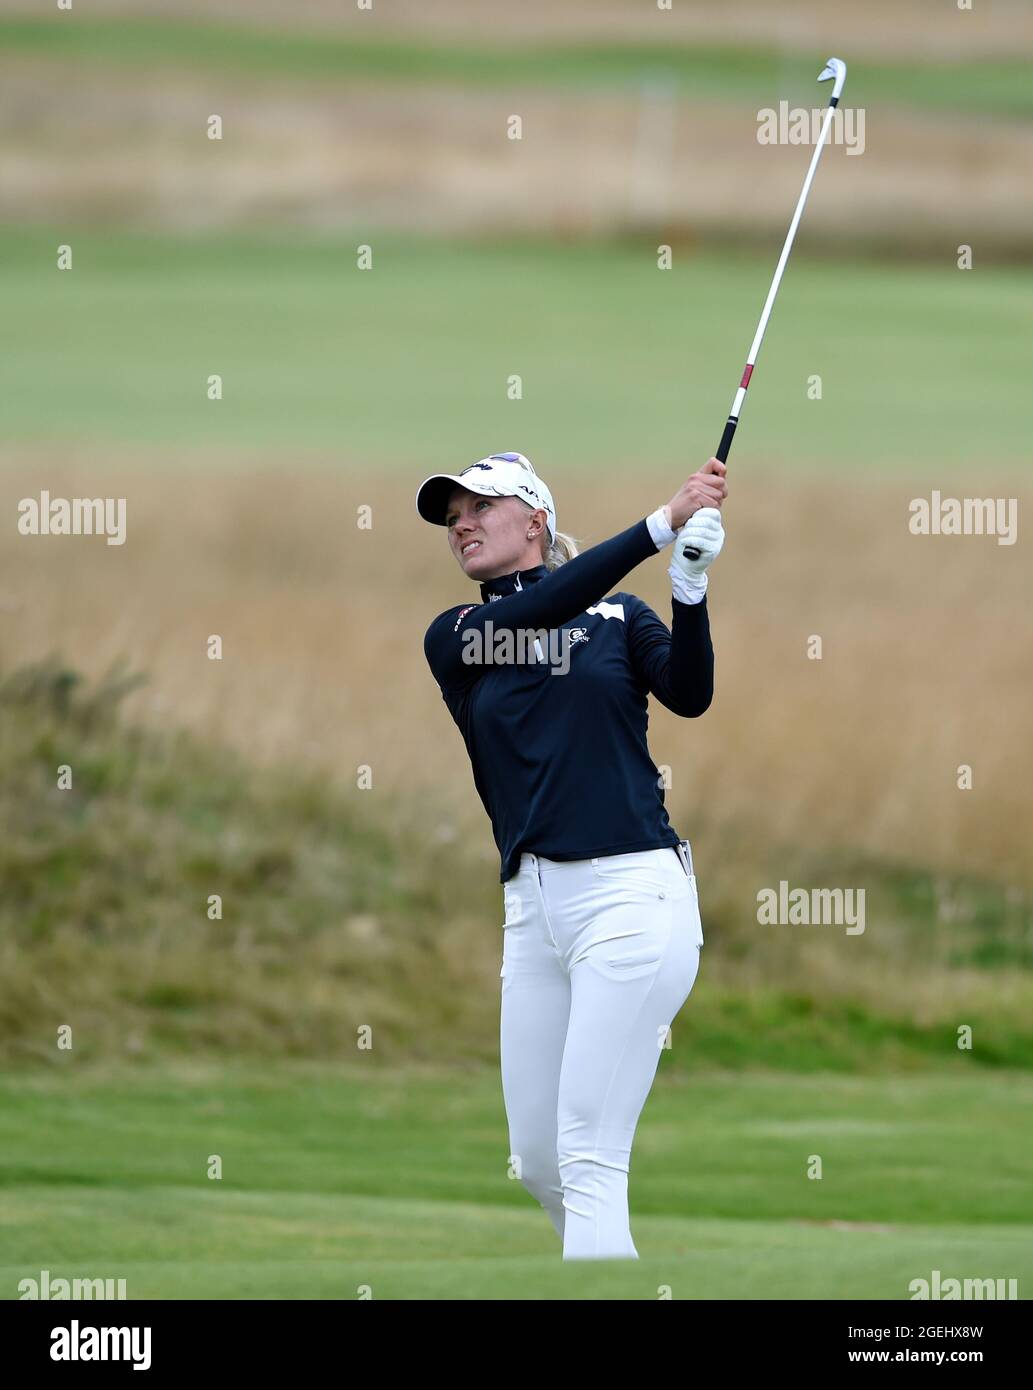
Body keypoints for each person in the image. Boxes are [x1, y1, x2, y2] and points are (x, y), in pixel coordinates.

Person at [416, 451, 726, 1260]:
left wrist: (687, 588)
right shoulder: (460, 638)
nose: (463, 526)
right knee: (540, 1162)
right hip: (532, 914)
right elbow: (546, 604)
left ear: (536, 521)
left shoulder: (620, 619)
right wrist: (658, 527)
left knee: (589, 1150)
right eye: (453, 519)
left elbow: (689, 693)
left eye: (480, 507)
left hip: (631, 896)